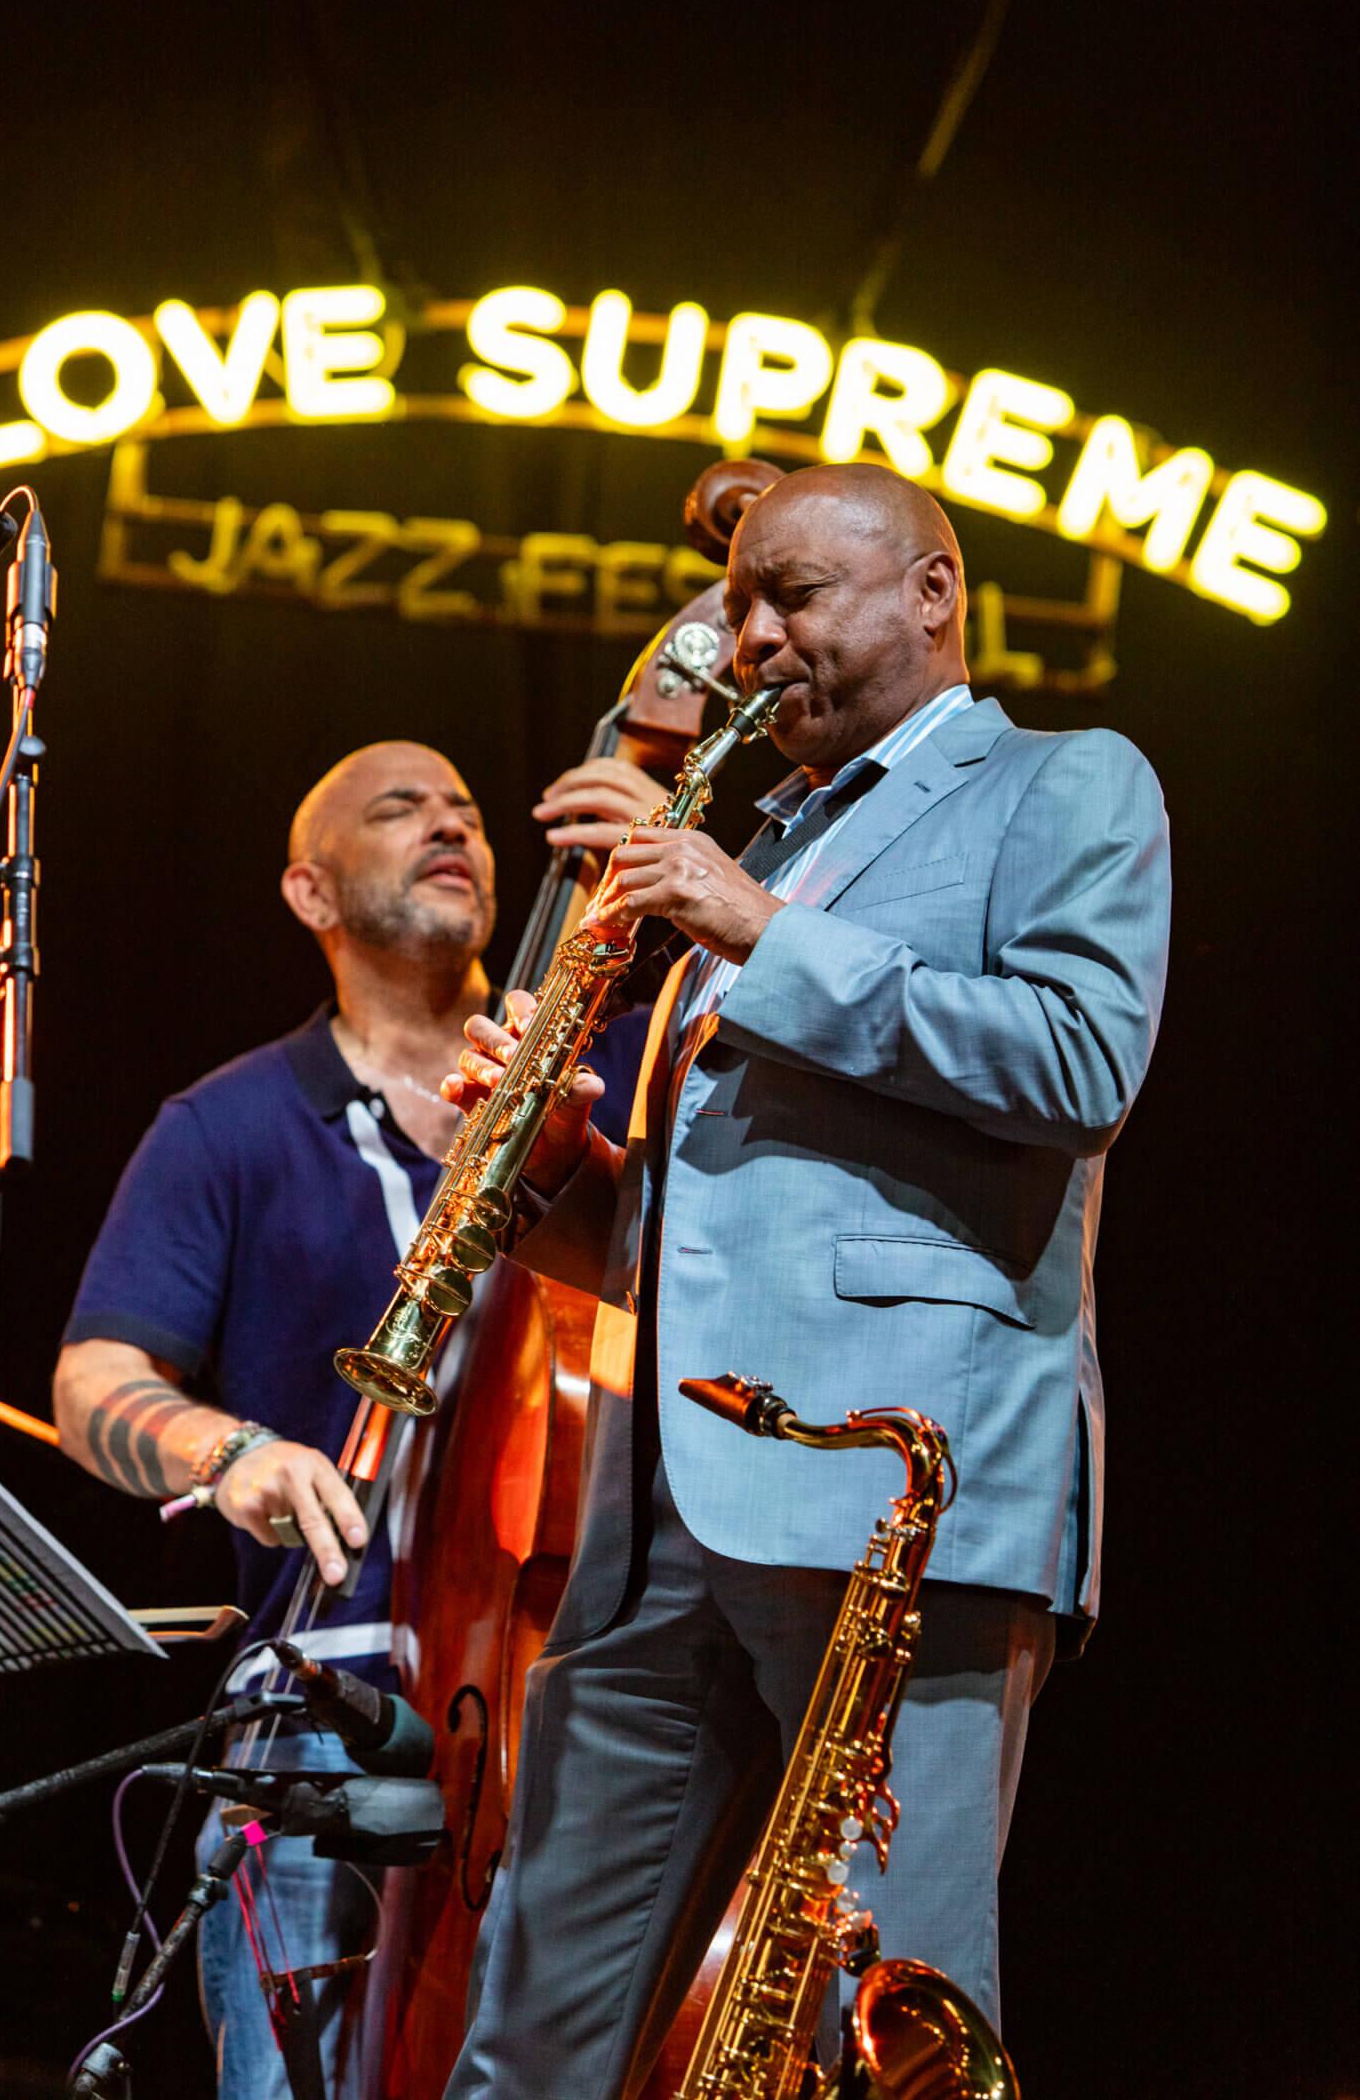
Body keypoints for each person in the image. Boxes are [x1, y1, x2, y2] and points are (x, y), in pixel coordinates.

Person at [440, 463, 1173, 2098]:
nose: (750, 636)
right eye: (742, 604)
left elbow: (1076, 1062)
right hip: (655, 1524)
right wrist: (547, 1158)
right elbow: (707, 1229)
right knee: (530, 2040)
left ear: (932, 595)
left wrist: (758, 928)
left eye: (794, 597)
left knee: (877, 2032)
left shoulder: (1062, 784)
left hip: (892, 1494)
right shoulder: (770, 831)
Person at [51, 738, 658, 2100]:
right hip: (325, 1706)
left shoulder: (603, 1082)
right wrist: (232, 1454)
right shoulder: (228, 1126)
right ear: (311, 894)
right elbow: (94, 1375)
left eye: (464, 808)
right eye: (400, 809)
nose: (451, 824)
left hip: (580, 1699)